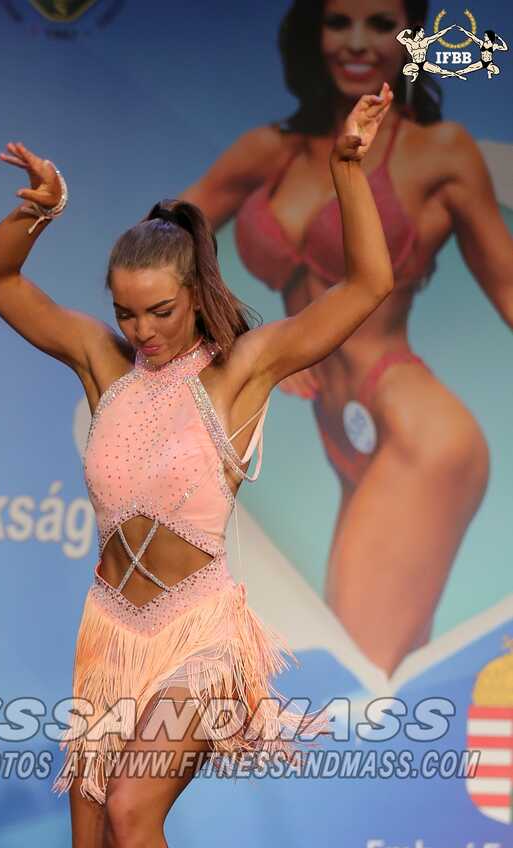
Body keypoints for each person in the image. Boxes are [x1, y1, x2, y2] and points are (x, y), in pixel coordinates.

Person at [0, 83, 394, 848]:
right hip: (109, 634)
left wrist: (346, 169)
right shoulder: (100, 363)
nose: (140, 327)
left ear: (195, 293)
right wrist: (38, 213)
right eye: (125, 310)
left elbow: (369, 282)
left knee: (131, 816)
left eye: (157, 310)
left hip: (199, 629)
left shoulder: (241, 369)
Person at [180, 0, 513, 677]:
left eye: (381, 24)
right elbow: (157, 257)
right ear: (314, 32)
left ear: (410, 38)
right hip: (345, 438)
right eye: (339, 22)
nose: (357, 42)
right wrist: (246, 344)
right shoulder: (270, 152)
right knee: (383, 677)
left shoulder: (438, 152)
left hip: (417, 430)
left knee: (353, 678)